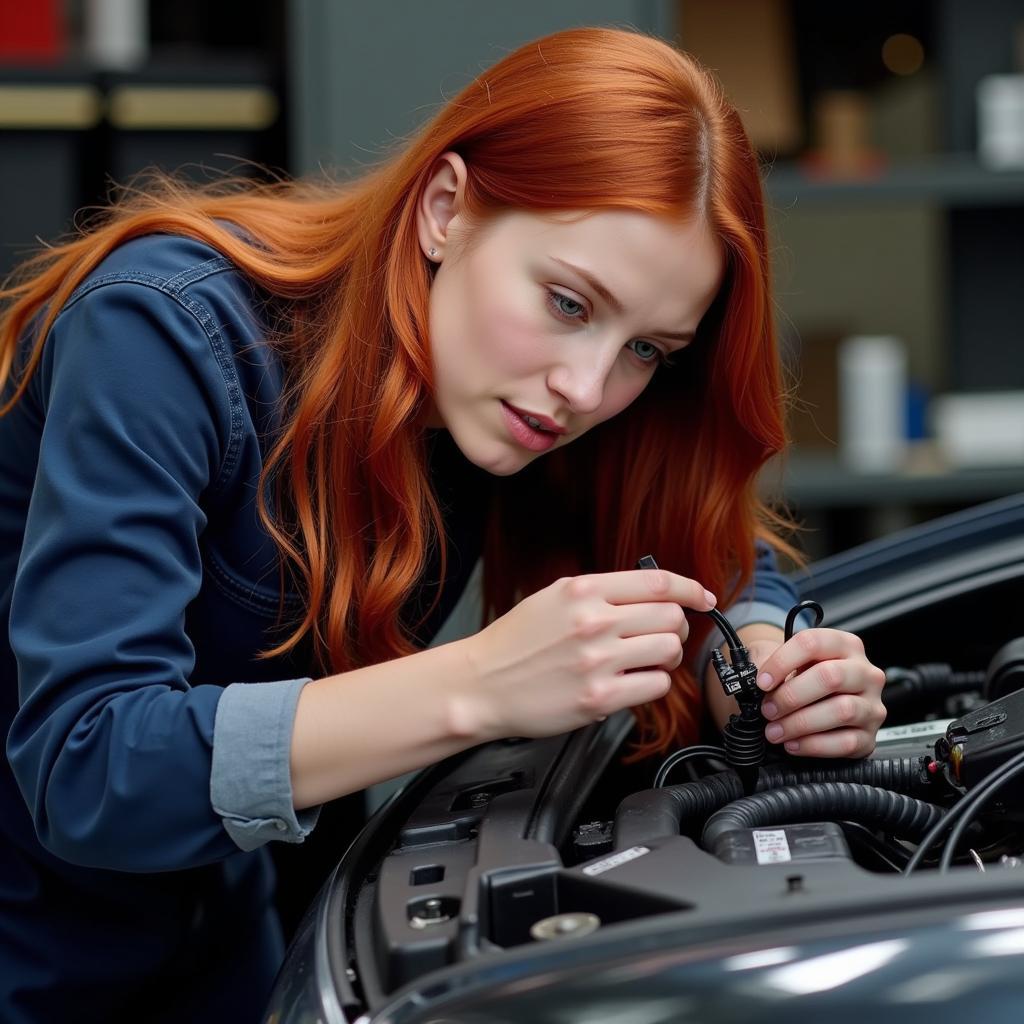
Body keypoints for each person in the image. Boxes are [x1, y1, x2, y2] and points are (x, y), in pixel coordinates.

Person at [0, 26, 886, 1023]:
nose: (587, 386)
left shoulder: (517, 394)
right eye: (564, 300)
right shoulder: (161, 333)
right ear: (444, 210)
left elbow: (714, 556)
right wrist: (482, 682)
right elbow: (88, 765)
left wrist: (763, 666)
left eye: (647, 347)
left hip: (242, 944)